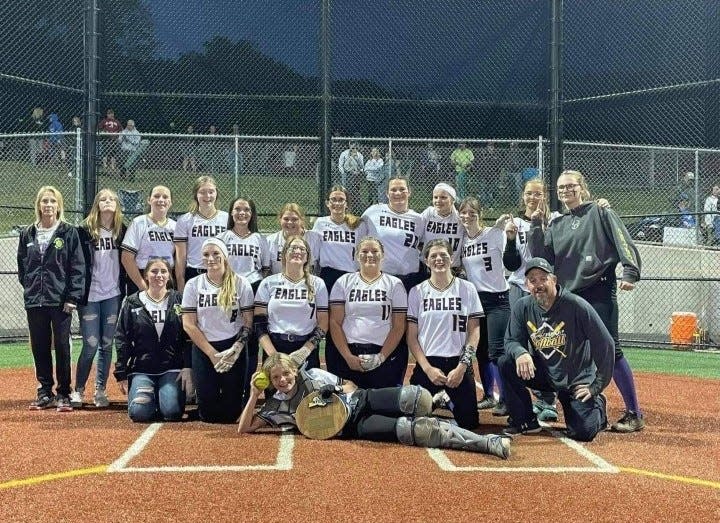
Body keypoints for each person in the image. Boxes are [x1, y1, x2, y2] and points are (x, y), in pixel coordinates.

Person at [529, 169, 645, 433]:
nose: (566, 191)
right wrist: (536, 225)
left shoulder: (600, 212)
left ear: (582, 187)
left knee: (610, 350)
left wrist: (630, 272)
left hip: (599, 291)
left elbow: (623, 242)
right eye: (561, 188)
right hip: (569, 296)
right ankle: (586, 404)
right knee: (571, 353)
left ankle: (635, 413)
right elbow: (541, 260)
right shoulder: (556, 224)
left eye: (571, 186)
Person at [237, 353, 511, 459]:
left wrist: (339, 395)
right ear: (270, 382)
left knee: (418, 398)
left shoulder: (314, 377)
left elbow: (348, 385)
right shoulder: (277, 405)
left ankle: (436, 403)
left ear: (294, 371)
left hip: (360, 401)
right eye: (276, 378)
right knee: (415, 431)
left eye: (285, 374)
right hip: (353, 427)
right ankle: (487, 443)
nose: (282, 380)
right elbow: (244, 428)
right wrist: (253, 395)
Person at [499, 258, 612, 441]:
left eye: (543, 279)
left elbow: (605, 345)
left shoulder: (576, 305)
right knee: (506, 362)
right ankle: (525, 420)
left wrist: (596, 386)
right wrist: (521, 352)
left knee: (583, 432)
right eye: (533, 280)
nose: (538, 285)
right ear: (527, 285)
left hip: (575, 379)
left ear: (554, 280)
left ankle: (598, 406)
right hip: (546, 373)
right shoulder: (523, 306)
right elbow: (511, 340)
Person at [17, 186, 85, 411]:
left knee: (63, 347)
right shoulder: (28, 233)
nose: (48, 205)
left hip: (60, 301)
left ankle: (64, 393)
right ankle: (44, 391)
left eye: (52, 201)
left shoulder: (68, 232)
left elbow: (77, 267)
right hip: (35, 301)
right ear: (38, 205)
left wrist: (72, 297)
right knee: (40, 346)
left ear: (58, 205)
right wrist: (31, 288)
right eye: (44, 201)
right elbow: (23, 266)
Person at [407, 239, 483, 430]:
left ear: (452, 258)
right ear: (426, 261)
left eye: (443, 255)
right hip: (429, 365)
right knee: (411, 418)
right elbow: (411, 337)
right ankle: (439, 397)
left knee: (469, 423)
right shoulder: (417, 292)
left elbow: (474, 330)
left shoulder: (467, 288)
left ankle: (444, 398)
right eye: (433, 256)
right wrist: (428, 369)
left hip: (458, 363)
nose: (438, 259)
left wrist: (462, 366)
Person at [182, 239, 254, 423]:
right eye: (206, 255)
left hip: (233, 347)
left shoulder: (241, 283)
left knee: (231, 413)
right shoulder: (194, 284)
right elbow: (189, 324)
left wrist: (236, 349)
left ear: (225, 256)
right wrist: (212, 354)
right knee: (208, 414)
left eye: (216, 254)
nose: (211, 258)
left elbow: (248, 322)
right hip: (204, 347)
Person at [114, 258, 192, 422]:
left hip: (171, 367)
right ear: (146, 275)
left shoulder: (179, 300)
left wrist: (188, 366)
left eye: (163, 271)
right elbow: (122, 338)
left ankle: (163, 395)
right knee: (139, 413)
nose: (159, 275)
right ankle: (150, 393)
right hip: (143, 368)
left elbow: (189, 336)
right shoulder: (132, 302)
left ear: (169, 276)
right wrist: (121, 372)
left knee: (171, 412)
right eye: (154, 271)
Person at [457, 197, 512, 416]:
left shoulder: (494, 234)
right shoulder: (464, 241)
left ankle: (507, 398)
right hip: (475, 301)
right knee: (480, 351)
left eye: (472, 212)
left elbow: (511, 254)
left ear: (480, 214)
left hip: (497, 299)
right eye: (463, 212)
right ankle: (489, 395)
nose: (467, 216)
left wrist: (505, 225)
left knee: (497, 350)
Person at [329, 236, 408, 388]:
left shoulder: (394, 284)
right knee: (348, 406)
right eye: (364, 251)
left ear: (382, 255)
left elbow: (399, 326)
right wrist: (347, 356)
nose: (370, 255)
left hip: (382, 352)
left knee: (381, 406)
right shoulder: (344, 281)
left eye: (375, 251)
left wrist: (381, 357)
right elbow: (335, 322)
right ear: (356, 255)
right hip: (350, 353)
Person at [73, 189, 127, 408]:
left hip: (112, 294)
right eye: (103, 199)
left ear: (117, 205)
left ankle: (100, 390)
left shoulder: (122, 231)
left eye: (111, 199)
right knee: (91, 344)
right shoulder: (84, 231)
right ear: (96, 204)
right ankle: (78, 390)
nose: (107, 202)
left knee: (106, 344)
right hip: (90, 295)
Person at [216, 196, 270, 401]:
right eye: (237, 209)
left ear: (252, 214)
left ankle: (250, 390)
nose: (242, 213)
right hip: (229, 289)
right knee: (231, 334)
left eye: (246, 209)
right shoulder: (223, 238)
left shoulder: (259, 239)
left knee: (252, 340)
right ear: (231, 212)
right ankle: (229, 384)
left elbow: (264, 268)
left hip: (254, 287)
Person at [254, 236, 328, 370]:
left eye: (302, 249)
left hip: (306, 348)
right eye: (293, 248)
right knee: (276, 390)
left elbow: (323, 322)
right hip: (275, 346)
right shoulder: (268, 283)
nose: (297, 251)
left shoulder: (318, 283)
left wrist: (305, 351)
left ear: (307, 258)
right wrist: (273, 356)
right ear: (284, 255)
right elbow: (259, 323)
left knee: (309, 391)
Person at [361, 176, 425, 293]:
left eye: (402, 189)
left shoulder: (418, 219)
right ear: (387, 193)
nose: (398, 193)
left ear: (409, 192)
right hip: (380, 277)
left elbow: (421, 244)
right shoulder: (374, 211)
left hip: (409, 278)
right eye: (393, 190)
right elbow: (358, 233)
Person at [174, 176, 228, 291]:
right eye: (202, 192)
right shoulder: (185, 220)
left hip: (221, 273)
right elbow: (180, 258)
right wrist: (180, 284)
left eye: (211, 192)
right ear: (196, 195)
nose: (207, 196)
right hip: (195, 273)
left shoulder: (227, 219)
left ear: (216, 193)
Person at [121, 185, 176, 295]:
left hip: (165, 280)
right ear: (149, 200)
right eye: (156, 196)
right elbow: (126, 258)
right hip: (142, 278)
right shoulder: (138, 223)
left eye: (165, 197)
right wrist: (143, 287)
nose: (161, 200)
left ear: (170, 202)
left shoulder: (175, 227)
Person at [312, 186, 367, 294]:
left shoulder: (357, 225)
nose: (337, 203)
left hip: (351, 276)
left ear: (346, 204)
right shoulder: (320, 223)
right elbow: (314, 252)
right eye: (333, 200)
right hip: (328, 275)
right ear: (327, 203)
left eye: (341, 200)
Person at [266, 203, 321, 275]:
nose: (290, 222)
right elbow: (266, 269)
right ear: (280, 219)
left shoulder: (314, 238)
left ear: (302, 220)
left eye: (294, 219)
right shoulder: (270, 241)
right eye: (286, 219)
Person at [420, 183, 465, 271]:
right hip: (428, 267)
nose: (438, 201)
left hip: (451, 268)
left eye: (443, 197)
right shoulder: (428, 213)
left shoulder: (459, 219)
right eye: (435, 197)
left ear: (452, 200)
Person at [338, 141, 364, 210]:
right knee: (346, 190)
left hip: (356, 175)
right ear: (349, 144)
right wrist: (343, 173)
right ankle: (345, 205)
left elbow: (362, 167)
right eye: (351, 143)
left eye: (354, 143)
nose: (353, 145)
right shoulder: (344, 153)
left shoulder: (359, 155)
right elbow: (340, 165)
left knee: (355, 191)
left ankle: (355, 206)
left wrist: (356, 158)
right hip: (347, 174)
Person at [98, 108, 122, 174]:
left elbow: (121, 130)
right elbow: (99, 128)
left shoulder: (117, 121)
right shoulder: (104, 121)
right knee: (105, 153)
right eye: (109, 113)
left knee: (113, 154)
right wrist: (104, 133)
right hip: (106, 140)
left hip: (114, 140)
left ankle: (112, 167)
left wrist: (118, 136)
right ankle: (105, 166)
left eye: (112, 113)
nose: (111, 115)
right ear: (107, 114)